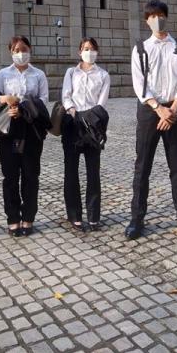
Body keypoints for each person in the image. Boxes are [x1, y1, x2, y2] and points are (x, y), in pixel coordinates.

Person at [125, 0, 177, 241]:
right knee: (142, 167)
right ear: (146, 20)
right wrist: (159, 109)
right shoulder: (140, 49)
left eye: (160, 15)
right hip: (150, 110)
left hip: (175, 109)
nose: (157, 20)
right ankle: (137, 218)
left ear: (166, 17)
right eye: (152, 16)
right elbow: (139, 83)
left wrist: (173, 109)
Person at [0, 36, 49, 237]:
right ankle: (13, 218)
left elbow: (43, 100)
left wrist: (23, 109)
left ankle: (28, 217)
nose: (21, 53)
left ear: (30, 50)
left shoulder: (38, 74)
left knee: (31, 175)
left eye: (24, 49)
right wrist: (4, 99)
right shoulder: (3, 74)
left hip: (31, 130)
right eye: (16, 50)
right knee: (10, 176)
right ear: (11, 52)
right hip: (8, 130)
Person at [62, 37, 110, 232]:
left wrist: (89, 117)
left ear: (97, 51)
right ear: (79, 51)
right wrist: (72, 110)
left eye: (92, 49)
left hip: (93, 125)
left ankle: (93, 216)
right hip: (73, 124)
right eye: (85, 49)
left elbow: (101, 103)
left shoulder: (103, 75)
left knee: (93, 173)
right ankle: (74, 215)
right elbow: (66, 95)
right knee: (71, 172)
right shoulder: (71, 72)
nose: (89, 52)